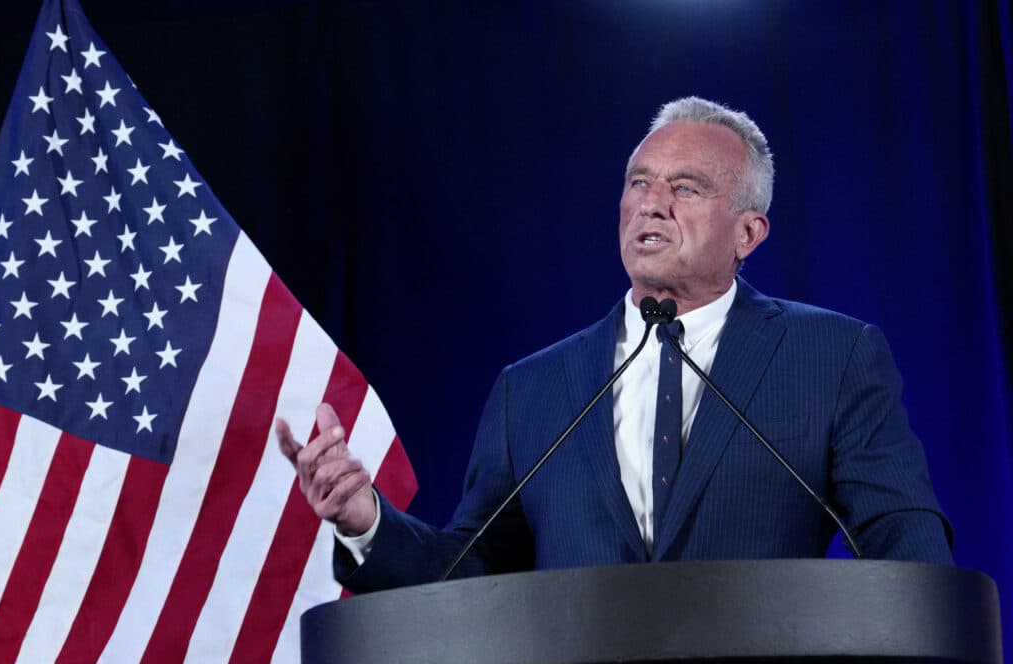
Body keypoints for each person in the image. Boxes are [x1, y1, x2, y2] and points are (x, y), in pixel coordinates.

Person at [276, 97, 953, 592]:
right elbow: (468, 572)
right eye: (639, 183)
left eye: (686, 188)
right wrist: (367, 520)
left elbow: (909, 550)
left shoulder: (832, 359)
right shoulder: (532, 389)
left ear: (748, 234)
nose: (651, 204)